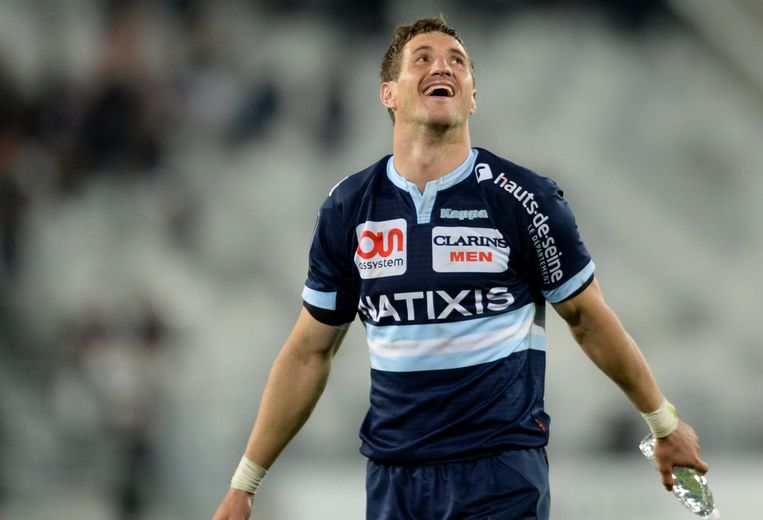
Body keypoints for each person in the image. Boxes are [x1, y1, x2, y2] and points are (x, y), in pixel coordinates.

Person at [212, 16, 709, 520]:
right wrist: (244, 485)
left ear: (472, 97)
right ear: (388, 93)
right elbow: (308, 352)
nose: (442, 67)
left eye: (457, 61)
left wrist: (662, 422)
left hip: (499, 475)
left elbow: (586, 317)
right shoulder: (349, 207)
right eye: (422, 59)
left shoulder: (523, 198)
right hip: (395, 482)